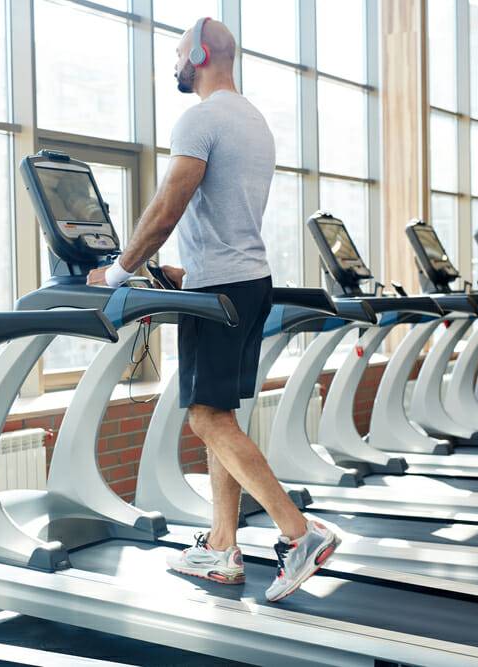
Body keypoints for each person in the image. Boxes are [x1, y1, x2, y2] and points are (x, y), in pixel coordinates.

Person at [86, 17, 339, 603]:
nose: (174, 63)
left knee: (205, 418)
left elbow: (169, 205)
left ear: (198, 53)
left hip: (220, 290)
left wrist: (118, 272)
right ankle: (222, 548)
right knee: (220, 413)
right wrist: (184, 272)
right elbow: (228, 217)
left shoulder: (200, 118)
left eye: (177, 53)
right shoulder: (252, 120)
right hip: (246, 282)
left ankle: (299, 533)